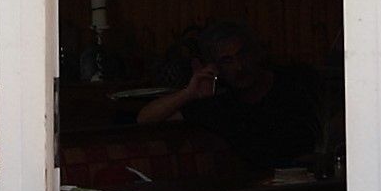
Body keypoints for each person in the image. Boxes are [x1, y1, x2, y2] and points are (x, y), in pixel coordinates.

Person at [136, 21, 321, 171]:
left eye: (242, 55)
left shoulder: (294, 81)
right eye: (227, 61)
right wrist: (188, 93)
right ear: (215, 67)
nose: (239, 67)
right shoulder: (220, 104)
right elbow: (146, 119)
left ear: (256, 53)